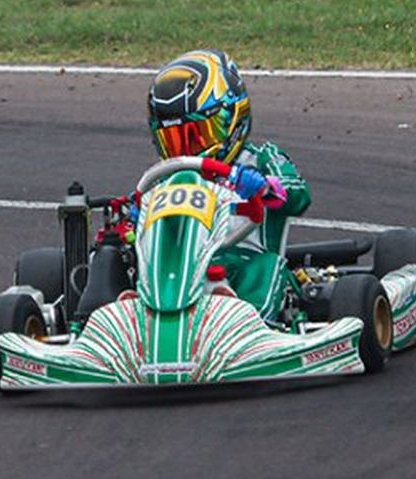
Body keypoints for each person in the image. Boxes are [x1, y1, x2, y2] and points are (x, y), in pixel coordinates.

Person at [79, 49, 309, 325]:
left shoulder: (260, 159)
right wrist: (127, 227)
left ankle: (249, 324)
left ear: (232, 117)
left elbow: (297, 195)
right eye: (174, 140)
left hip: (243, 263)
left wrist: (262, 186)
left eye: (197, 136)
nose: (188, 151)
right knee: (113, 259)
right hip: (173, 272)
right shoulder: (162, 178)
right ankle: (111, 323)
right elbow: (137, 221)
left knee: (266, 268)